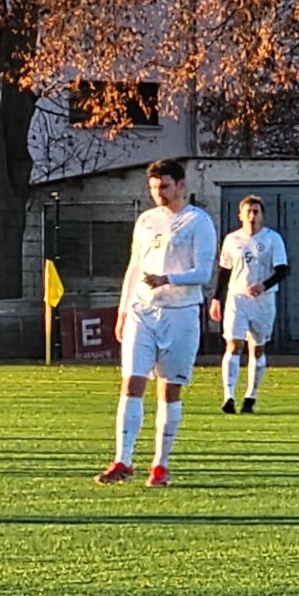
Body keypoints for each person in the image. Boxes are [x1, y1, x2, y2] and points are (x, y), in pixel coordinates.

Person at [94, 159, 217, 488]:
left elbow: (204, 273)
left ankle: (160, 465)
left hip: (180, 314)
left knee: (168, 389)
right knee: (131, 382)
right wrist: (122, 311)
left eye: (163, 186)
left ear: (180, 184)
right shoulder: (146, 220)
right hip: (141, 311)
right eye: (152, 188)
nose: (157, 194)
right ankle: (123, 459)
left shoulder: (198, 222)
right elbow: (134, 267)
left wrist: (168, 278)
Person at [208, 195, 289, 414]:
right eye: (248, 211)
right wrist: (216, 298)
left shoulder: (273, 239)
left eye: (256, 212)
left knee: (257, 348)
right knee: (233, 345)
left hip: (263, 300)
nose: (252, 216)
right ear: (240, 215)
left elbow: (283, 270)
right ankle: (229, 397)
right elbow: (224, 271)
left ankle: (250, 396)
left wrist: (264, 285)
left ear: (262, 215)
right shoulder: (232, 240)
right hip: (237, 298)